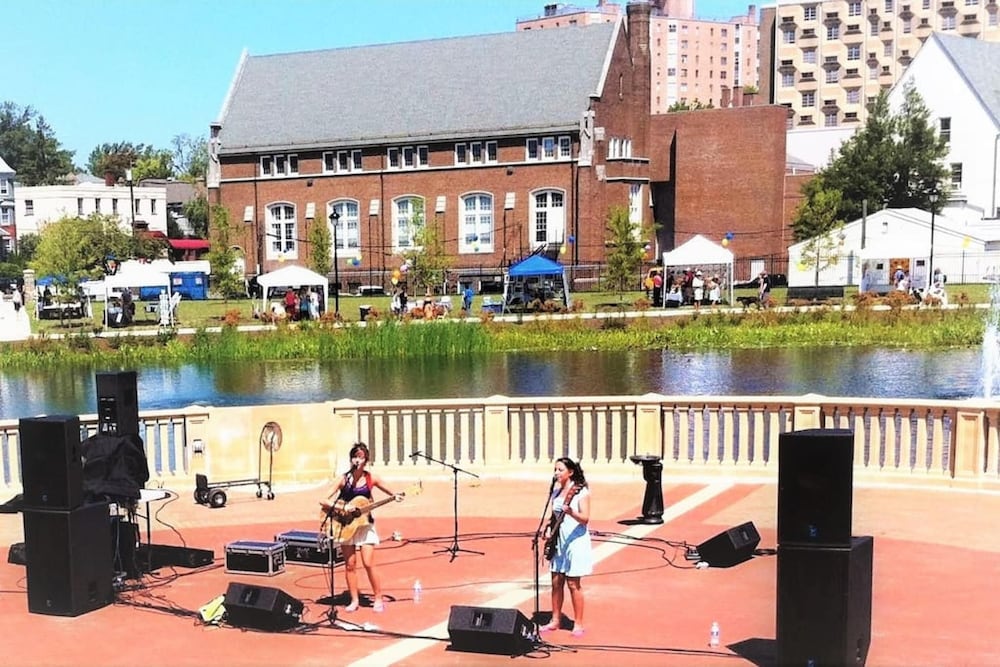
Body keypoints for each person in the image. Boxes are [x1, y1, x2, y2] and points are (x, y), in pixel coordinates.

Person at [319, 442, 402, 613]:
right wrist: (343, 507)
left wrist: (396, 496)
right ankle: (354, 600)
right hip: (346, 525)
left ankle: (378, 597)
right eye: (355, 457)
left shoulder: (372, 479)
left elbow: (392, 492)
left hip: (364, 524)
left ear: (366, 460)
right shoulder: (343, 479)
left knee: (368, 562)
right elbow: (323, 500)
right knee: (350, 564)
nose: (357, 460)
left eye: (361, 457)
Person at [539, 457, 592, 637]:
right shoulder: (555, 492)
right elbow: (554, 517)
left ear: (570, 472)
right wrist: (548, 529)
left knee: (573, 583)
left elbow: (585, 518)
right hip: (559, 541)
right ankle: (555, 619)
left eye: (560, 470)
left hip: (575, 541)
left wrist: (572, 512)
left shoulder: (580, 492)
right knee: (556, 582)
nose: (556, 473)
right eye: (555, 470)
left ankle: (578, 623)